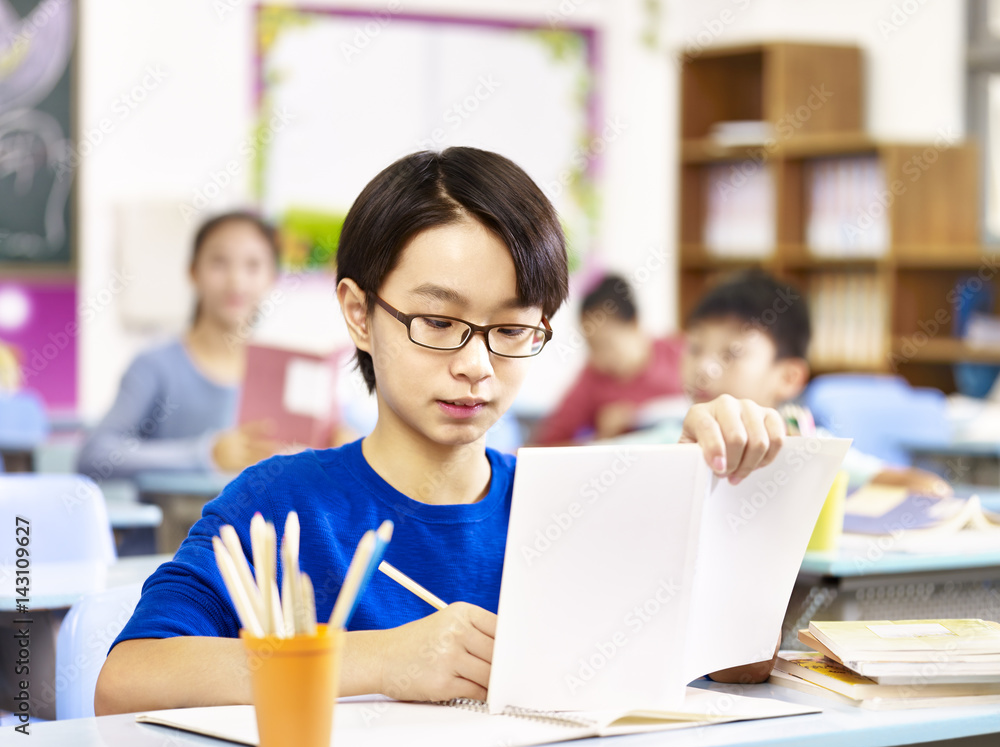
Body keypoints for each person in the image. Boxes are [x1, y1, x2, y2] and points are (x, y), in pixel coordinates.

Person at [95, 148, 787, 715]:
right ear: (360, 314)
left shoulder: (569, 505)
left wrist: (727, 494)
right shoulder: (282, 506)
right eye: (438, 323)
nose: (477, 366)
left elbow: (739, 668)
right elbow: (126, 681)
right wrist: (379, 659)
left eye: (512, 329)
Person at [679, 270, 951, 495]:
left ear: (788, 377)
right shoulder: (673, 438)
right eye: (695, 349)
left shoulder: (803, 443)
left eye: (732, 354)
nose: (705, 368)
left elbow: (922, 485)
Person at [76, 212, 283, 480]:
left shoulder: (285, 372)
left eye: (253, 265)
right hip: (175, 521)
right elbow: (94, 456)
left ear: (272, 278)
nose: (236, 281)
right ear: (193, 272)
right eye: (219, 262)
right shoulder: (154, 366)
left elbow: (349, 432)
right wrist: (203, 455)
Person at [532, 273, 685, 444]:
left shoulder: (681, 354)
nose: (600, 359)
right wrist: (600, 437)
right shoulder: (591, 378)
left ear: (633, 324)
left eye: (605, 345)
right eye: (591, 347)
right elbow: (547, 443)